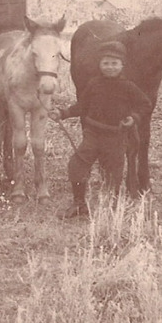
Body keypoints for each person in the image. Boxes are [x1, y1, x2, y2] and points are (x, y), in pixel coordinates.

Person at [49, 40, 153, 218]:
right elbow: (82, 106)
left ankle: (110, 211)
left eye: (114, 63)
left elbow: (146, 105)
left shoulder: (129, 87)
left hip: (116, 137)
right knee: (76, 165)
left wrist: (134, 118)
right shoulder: (93, 84)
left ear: (122, 65)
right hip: (93, 135)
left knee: (113, 176)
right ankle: (79, 204)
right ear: (99, 64)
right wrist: (63, 112)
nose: (110, 67)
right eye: (106, 63)